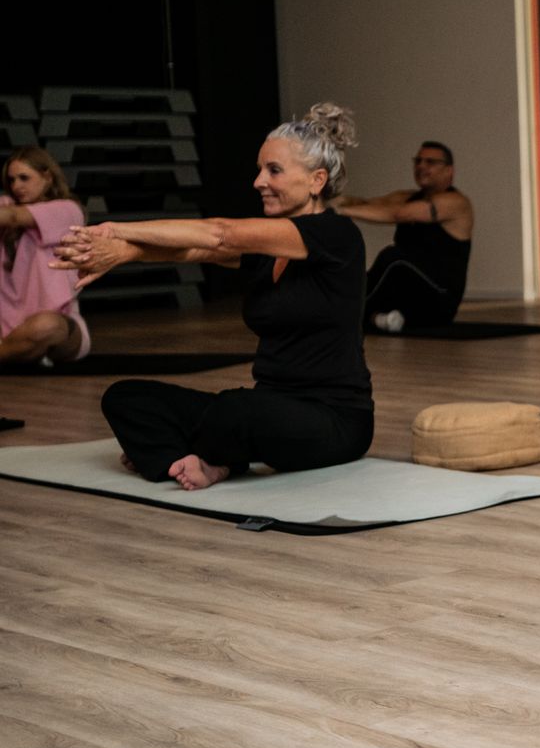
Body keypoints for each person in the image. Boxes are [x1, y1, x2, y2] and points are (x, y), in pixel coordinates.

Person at [53, 104, 375, 491]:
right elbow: (196, 251)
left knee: (237, 411)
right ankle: (199, 459)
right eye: (259, 169)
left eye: (274, 170)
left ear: (316, 180)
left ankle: (200, 454)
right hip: (270, 407)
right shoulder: (269, 247)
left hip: (334, 420)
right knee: (125, 398)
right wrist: (124, 253)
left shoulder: (336, 236)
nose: (259, 181)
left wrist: (115, 231)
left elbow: (218, 233)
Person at [334, 141, 473, 333]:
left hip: (440, 298)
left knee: (395, 258)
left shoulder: (456, 202)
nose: (421, 166)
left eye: (430, 162)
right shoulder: (407, 197)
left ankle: (339, 314)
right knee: (376, 268)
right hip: (409, 296)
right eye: (418, 161)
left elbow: (399, 214)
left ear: (449, 170)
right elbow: (367, 203)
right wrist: (329, 200)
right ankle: (376, 319)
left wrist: (339, 211)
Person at [0, 147, 90, 366]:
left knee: (46, 326)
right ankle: (15, 350)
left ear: (47, 177)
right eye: (12, 180)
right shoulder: (7, 207)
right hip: (6, 324)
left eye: (24, 178)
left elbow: (13, 217)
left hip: (54, 322)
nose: (16, 186)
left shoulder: (67, 209)